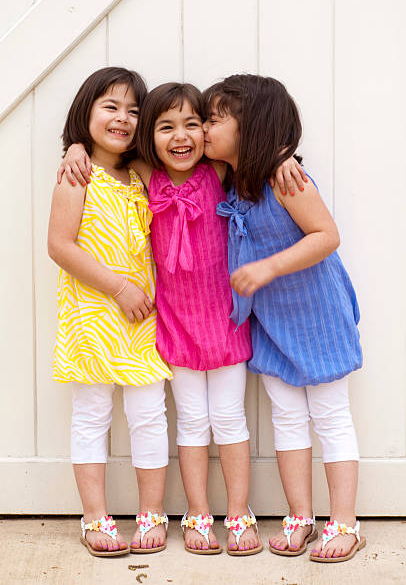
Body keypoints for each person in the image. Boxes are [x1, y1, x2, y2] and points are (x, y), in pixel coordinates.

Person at [58, 80, 306, 556]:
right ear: (149, 136)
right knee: (192, 422)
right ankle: (196, 513)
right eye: (166, 127)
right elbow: (105, 153)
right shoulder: (144, 176)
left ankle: (238, 512)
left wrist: (282, 156)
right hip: (175, 324)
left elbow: (248, 148)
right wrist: (73, 146)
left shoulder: (218, 170)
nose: (181, 136)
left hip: (227, 320)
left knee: (230, 419)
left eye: (193, 124)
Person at [202, 73, 366, 563]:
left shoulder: (284, 177)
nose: (205, 129)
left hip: (317, 316)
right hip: (271, 320)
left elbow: (325, 235)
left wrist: (268, 266)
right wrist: (76, 149)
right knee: (288, 417)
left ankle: (346, 524)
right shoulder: (232, 179)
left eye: (215, 119)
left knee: (331, 416)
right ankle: (301, 516)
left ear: (250, 126)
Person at [48, 67, 172, 557]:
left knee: (148, 415)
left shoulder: (141, 173)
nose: (123, 118)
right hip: (92, 312)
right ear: (87, 112)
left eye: (134, 111)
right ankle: (95, 516)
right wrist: (74, 147)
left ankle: (151, 512)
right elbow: (59, 246)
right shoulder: (76, 174)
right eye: (111, 107)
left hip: (142, 315)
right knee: (92, 415)